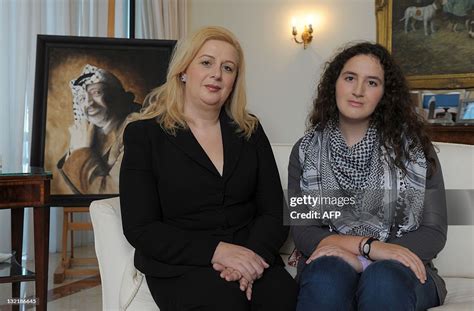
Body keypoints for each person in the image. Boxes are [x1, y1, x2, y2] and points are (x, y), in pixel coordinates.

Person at [119, 26, 297, 310]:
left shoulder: (249, 130)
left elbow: (273, 211)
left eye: (228, 68)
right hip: (182, 264)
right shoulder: (144, 135)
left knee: (285, 296)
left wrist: (249, 259)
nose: (217, 74)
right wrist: (219, 251)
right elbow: (141, 227)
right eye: (206, 62)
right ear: (183, 71)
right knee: (225, 302)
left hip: (250, 255)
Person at [288, 42, 447, 310]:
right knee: (326, 276)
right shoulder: (304, 151)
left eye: (372, 83)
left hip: (402, 271)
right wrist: (368, 247)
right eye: (350, 78)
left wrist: (365, 259)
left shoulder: (416, 149)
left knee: (381, 278)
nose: (358, 91)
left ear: (385, 94)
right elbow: (303, 230)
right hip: (331, 264)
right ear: (334, 84)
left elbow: (434, 232)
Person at [57, 64, 140, 194]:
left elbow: (110, 191)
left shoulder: (136, 128)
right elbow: (79, 190)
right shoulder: (96, 134)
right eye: (82, 98)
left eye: (96, 92)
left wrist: (80, 152)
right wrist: (75, 150)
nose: (88, 103)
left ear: (118, 97)